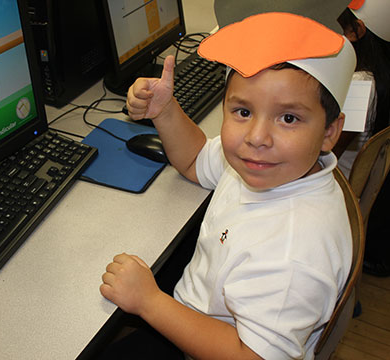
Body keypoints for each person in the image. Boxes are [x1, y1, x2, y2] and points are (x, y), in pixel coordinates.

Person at [99, 11, 356, 360]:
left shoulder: (294, 252)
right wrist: (165, 110)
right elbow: (195, 161)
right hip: (199, 311)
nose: (257, 137)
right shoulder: (268, 167)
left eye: (289, 118)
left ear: (330, 131)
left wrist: (150, 302)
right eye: (243, 112)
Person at [335, 0, 390, 276]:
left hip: (335, 186)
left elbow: (323, 154)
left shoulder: (358, 86)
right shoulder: (374, 69)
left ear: (356, 30)